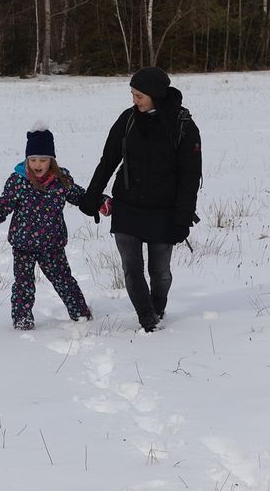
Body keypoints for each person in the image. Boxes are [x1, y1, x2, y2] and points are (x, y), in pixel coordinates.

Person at [79, 67, 201, 332]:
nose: (134, 100)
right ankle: (147, 318)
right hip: (127, 206)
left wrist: (182, 217)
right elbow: (108, 160)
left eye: (139, 95)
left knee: (160, 273)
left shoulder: (183, 126)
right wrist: (91, 196)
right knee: (132, 267)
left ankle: (158, 305)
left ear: (156, 94)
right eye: (132, 94)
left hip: (164, 209)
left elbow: (191, 176)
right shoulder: (128, 119)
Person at [0, 122, 108, 330]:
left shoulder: (61, 180)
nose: (38, 164)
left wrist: (100, 202)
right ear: (27, 159)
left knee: (64, 280)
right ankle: (22, 319)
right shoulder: (18, 181)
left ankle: (80, 314)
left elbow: (80, 196)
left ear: (51, 159)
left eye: (43, 159)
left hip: (52, 244)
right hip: (23, 245)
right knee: (23, 286)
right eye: (33, 159)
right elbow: (0, 209)